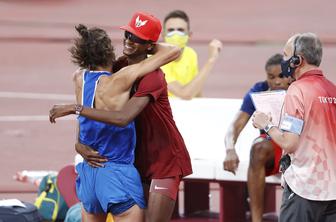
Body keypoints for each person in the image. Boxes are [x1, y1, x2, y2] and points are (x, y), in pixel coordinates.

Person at [49, 12, 192, 222]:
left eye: (136, 38)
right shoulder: (119, 69)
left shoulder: (154, 76)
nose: (128, 41)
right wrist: (79, 144)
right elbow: (91, 109)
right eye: (127, 35)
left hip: (165, 159)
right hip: (137, 158)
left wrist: (75, 108)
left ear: (150, 45)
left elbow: (123, 117)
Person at [252, 33, 336, 222]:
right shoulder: (333, 89)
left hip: (305, 188)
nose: (284, 60)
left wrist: (266, 124)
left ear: (298, 60)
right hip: (332, 191)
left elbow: (289, 143)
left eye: (286, 55)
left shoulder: (297, 90)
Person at [223, 53, 292, 222]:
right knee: (258, 147)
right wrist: (230, 149)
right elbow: (235, 125)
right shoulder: (258, 90)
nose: (276, 81)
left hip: (297, 146)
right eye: (271, 77)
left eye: (282, 76)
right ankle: (256, 220)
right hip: (272, 149)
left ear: (290, 76)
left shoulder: (300, 89)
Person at [161, 10, 222, 99]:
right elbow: (185, 94)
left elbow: (196, 89)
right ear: (163, 35)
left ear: (189, 35)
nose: (175, 34)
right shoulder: (157, 61)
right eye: (171, 30)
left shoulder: (190, 54)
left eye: (180, 30)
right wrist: (211, 59)